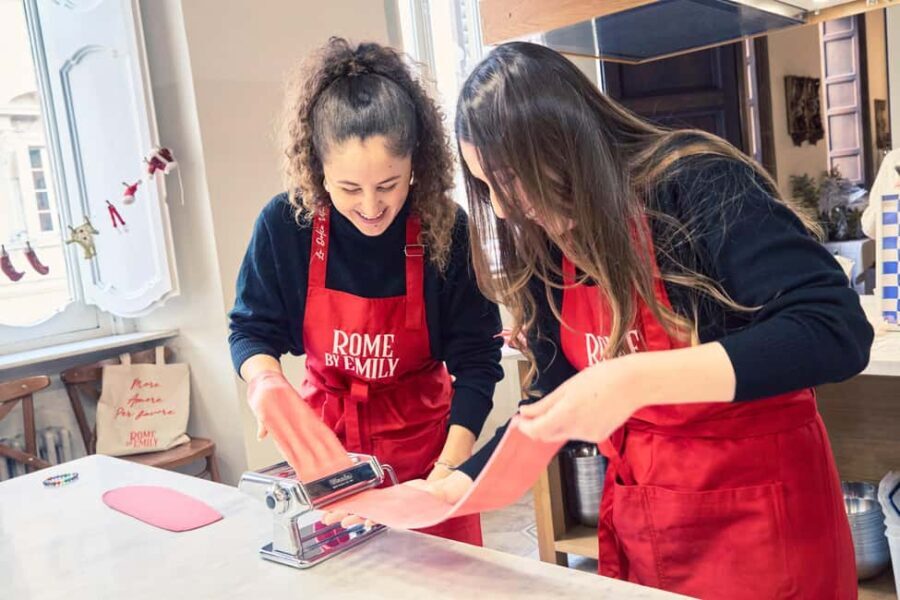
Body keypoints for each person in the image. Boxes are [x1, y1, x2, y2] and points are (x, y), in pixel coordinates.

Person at [421, 42, 872, 598]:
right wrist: (463, 480)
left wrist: (635, 378)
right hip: (649, 523)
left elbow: (836, 331)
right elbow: (555, 389)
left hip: (764, 523)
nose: (505, 208)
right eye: (486, 188)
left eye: (509, 178)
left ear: (565, 142)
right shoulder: (545, 240)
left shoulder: (695, 181)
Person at [228, 37, 503, 546]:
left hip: (428, 456)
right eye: (349, 188)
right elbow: (250, 328)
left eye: (390, 185)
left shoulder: (446, 228)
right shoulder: (286, 226)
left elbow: (479, 360)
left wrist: (445, 474)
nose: (372, 207)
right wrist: (263, 381)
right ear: (318, 169)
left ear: (416, 165)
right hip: (328, 460)